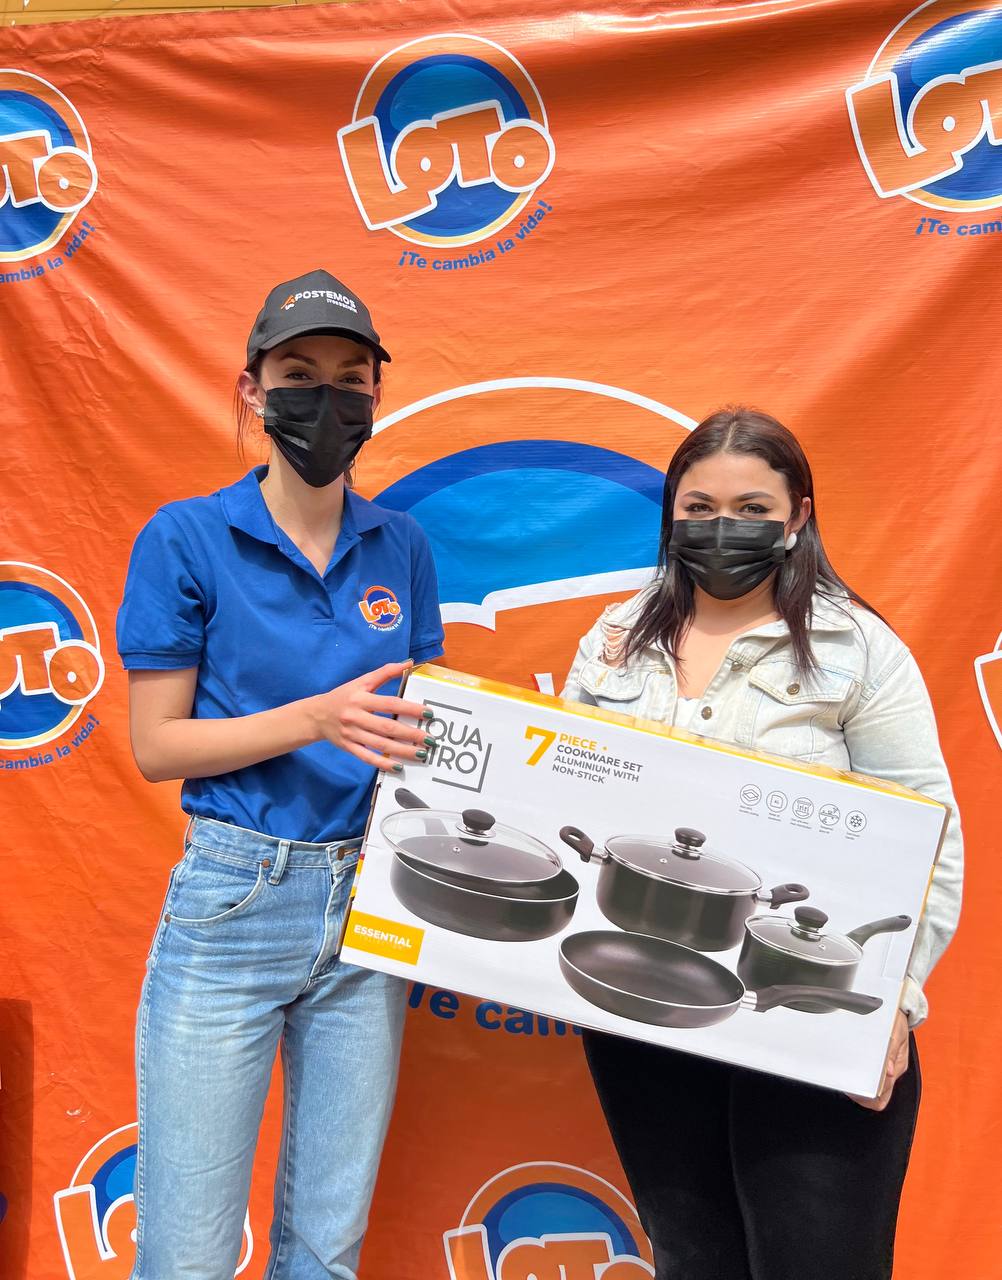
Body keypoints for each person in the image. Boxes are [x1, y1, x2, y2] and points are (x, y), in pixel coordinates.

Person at [561, 406, 962, 1280]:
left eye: (751, 508)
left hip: (812, 1005)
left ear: (797, 516)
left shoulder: (858, 650)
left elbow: (931, 838)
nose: (722, 528)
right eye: (698, 508)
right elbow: (563, 794)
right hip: (645, 1009)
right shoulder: (615, 640)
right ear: (671, 514)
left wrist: (893, 999)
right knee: (691, 1257)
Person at [116, 269, 444, 1280]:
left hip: (370, 907)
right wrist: (315, 717)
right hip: (234, 899)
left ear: (376, 397)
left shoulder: (402, 545)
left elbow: (421, 730)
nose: (326, 398)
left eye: (351, 377)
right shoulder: (186, 538)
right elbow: (157, 746)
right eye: (298, 374)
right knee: (187, 1251)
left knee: (325, 1248)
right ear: (253, 390)